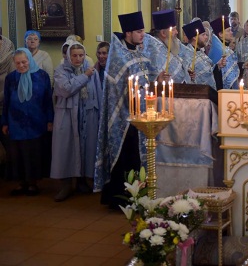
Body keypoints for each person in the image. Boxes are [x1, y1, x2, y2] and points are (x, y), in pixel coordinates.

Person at [94, 11, 166, 208]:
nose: (143, 35)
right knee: (127, 157)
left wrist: (156, 82)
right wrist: (146, 88)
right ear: (128, 33)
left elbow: (144, 80)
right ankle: (120, 199)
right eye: (139, 31)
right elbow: (118, 90)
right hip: (125, 118)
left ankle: (139, 196)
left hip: (142, 114)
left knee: (137, 158)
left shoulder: (140, 52)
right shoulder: (118, 57)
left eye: (143, 31)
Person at [51, 42, 102, 201]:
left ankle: (82, 181)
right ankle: (66, 185)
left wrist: (100, 115)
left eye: (81, 55)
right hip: (67, 116)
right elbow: (65, 89)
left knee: (85, 148)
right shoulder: (61, 71)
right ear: (68, 56)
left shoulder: (91, 70)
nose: (78, 58)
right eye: (74, 55)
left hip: (88, 114)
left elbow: (98, 93)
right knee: (66, 149)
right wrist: (84, 76)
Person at [2, 48, 54, 196]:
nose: (21, 65)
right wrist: (5, 122)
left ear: (30, 60)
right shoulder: (11, 78)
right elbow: (6, 101)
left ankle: (33, 183)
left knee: (33, 152)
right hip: (15, 122)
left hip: (36, 121)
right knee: (17, 153)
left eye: (24, 62)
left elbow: (47, 100)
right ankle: (21, 183)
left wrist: (50, 120)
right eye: (17, 63)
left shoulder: (41, 75)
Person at [151, 9, 192, 83]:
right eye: (173, 30)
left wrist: (187, 73)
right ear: (163, 33)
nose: (177, 32)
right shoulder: (155, 51)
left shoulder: (170, 45)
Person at [182, 19, 216, 90]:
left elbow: (208, 72)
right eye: (203, 35)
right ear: (194, 37)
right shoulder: (187, 54)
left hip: (209, 93)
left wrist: (218, 65)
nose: (206, 37)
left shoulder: (200, 52)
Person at [209, 16, 239, 90]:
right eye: (228, 31)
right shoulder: (217, 50)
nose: (231, 33)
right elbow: (216, 74)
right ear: (221, 34)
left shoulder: (224, 47)